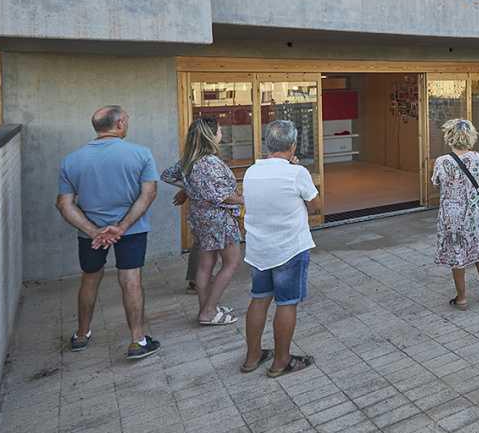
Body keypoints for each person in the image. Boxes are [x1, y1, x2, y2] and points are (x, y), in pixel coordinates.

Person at [56, 105, 161, 360]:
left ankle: (81, 335)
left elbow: (64, 203)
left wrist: (94, 232)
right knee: (131, 280)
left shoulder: (71, 160)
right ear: (121, 123)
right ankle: (137, 340)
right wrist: (123, 227)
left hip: (90, 234)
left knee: (90, 278)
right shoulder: (141, 154)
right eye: (128, 120)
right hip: (132, 230)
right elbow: (149, 194)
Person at [241, 120, 318, 378]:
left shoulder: (251, 171)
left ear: (267, 144)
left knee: (259, 299)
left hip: (258, 248)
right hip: (289, 248)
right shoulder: (296, 173)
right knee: (287, 302)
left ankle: (252, 357)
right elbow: (317, 205)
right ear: (293, 145)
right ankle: (281, 361)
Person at [162, 118, 242, 326]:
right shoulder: (210, 162)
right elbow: (222, 196)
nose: (221, 133)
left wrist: (189, 190)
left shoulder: (190, 160)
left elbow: (167, 175)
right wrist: (247, 198)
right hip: (219, 220)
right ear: (211, 135)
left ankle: (206, 307)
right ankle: (208, 310)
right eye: (219, 130)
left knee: (205, 264)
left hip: (201, 218)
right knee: (231, 262)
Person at [432, 119, 479, 309]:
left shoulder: (442, 161)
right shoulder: (477, 157)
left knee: (457, 253)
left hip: (452, 213)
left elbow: (436, 183)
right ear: (471, 137)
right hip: (474, 212)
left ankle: (462, 298)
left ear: (449, 137)